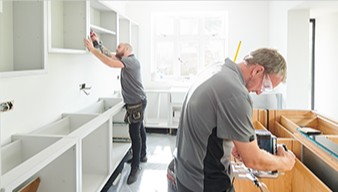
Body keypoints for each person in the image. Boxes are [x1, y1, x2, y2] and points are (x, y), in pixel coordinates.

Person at [174, 48, 296, 192]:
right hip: (205, 183)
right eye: (265, 85)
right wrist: (285, 162)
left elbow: (209, 121)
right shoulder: (236, 93)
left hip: (185, 174)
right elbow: (253, 160)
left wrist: (236, 142)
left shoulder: (218, 69)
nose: (259, 92)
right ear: (257, 70)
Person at [84, 34, 147, 185]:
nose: (116, 49)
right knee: (140, 128)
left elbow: (111, 63)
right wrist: (97, 43)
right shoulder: (127, 60)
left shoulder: (131, 61)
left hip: (136, 103)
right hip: (137, 101)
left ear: (126, 49)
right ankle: (142, 155)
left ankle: (135, 168)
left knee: (134, 134)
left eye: (119, 47)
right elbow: (110, 56)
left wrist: (92, 50)